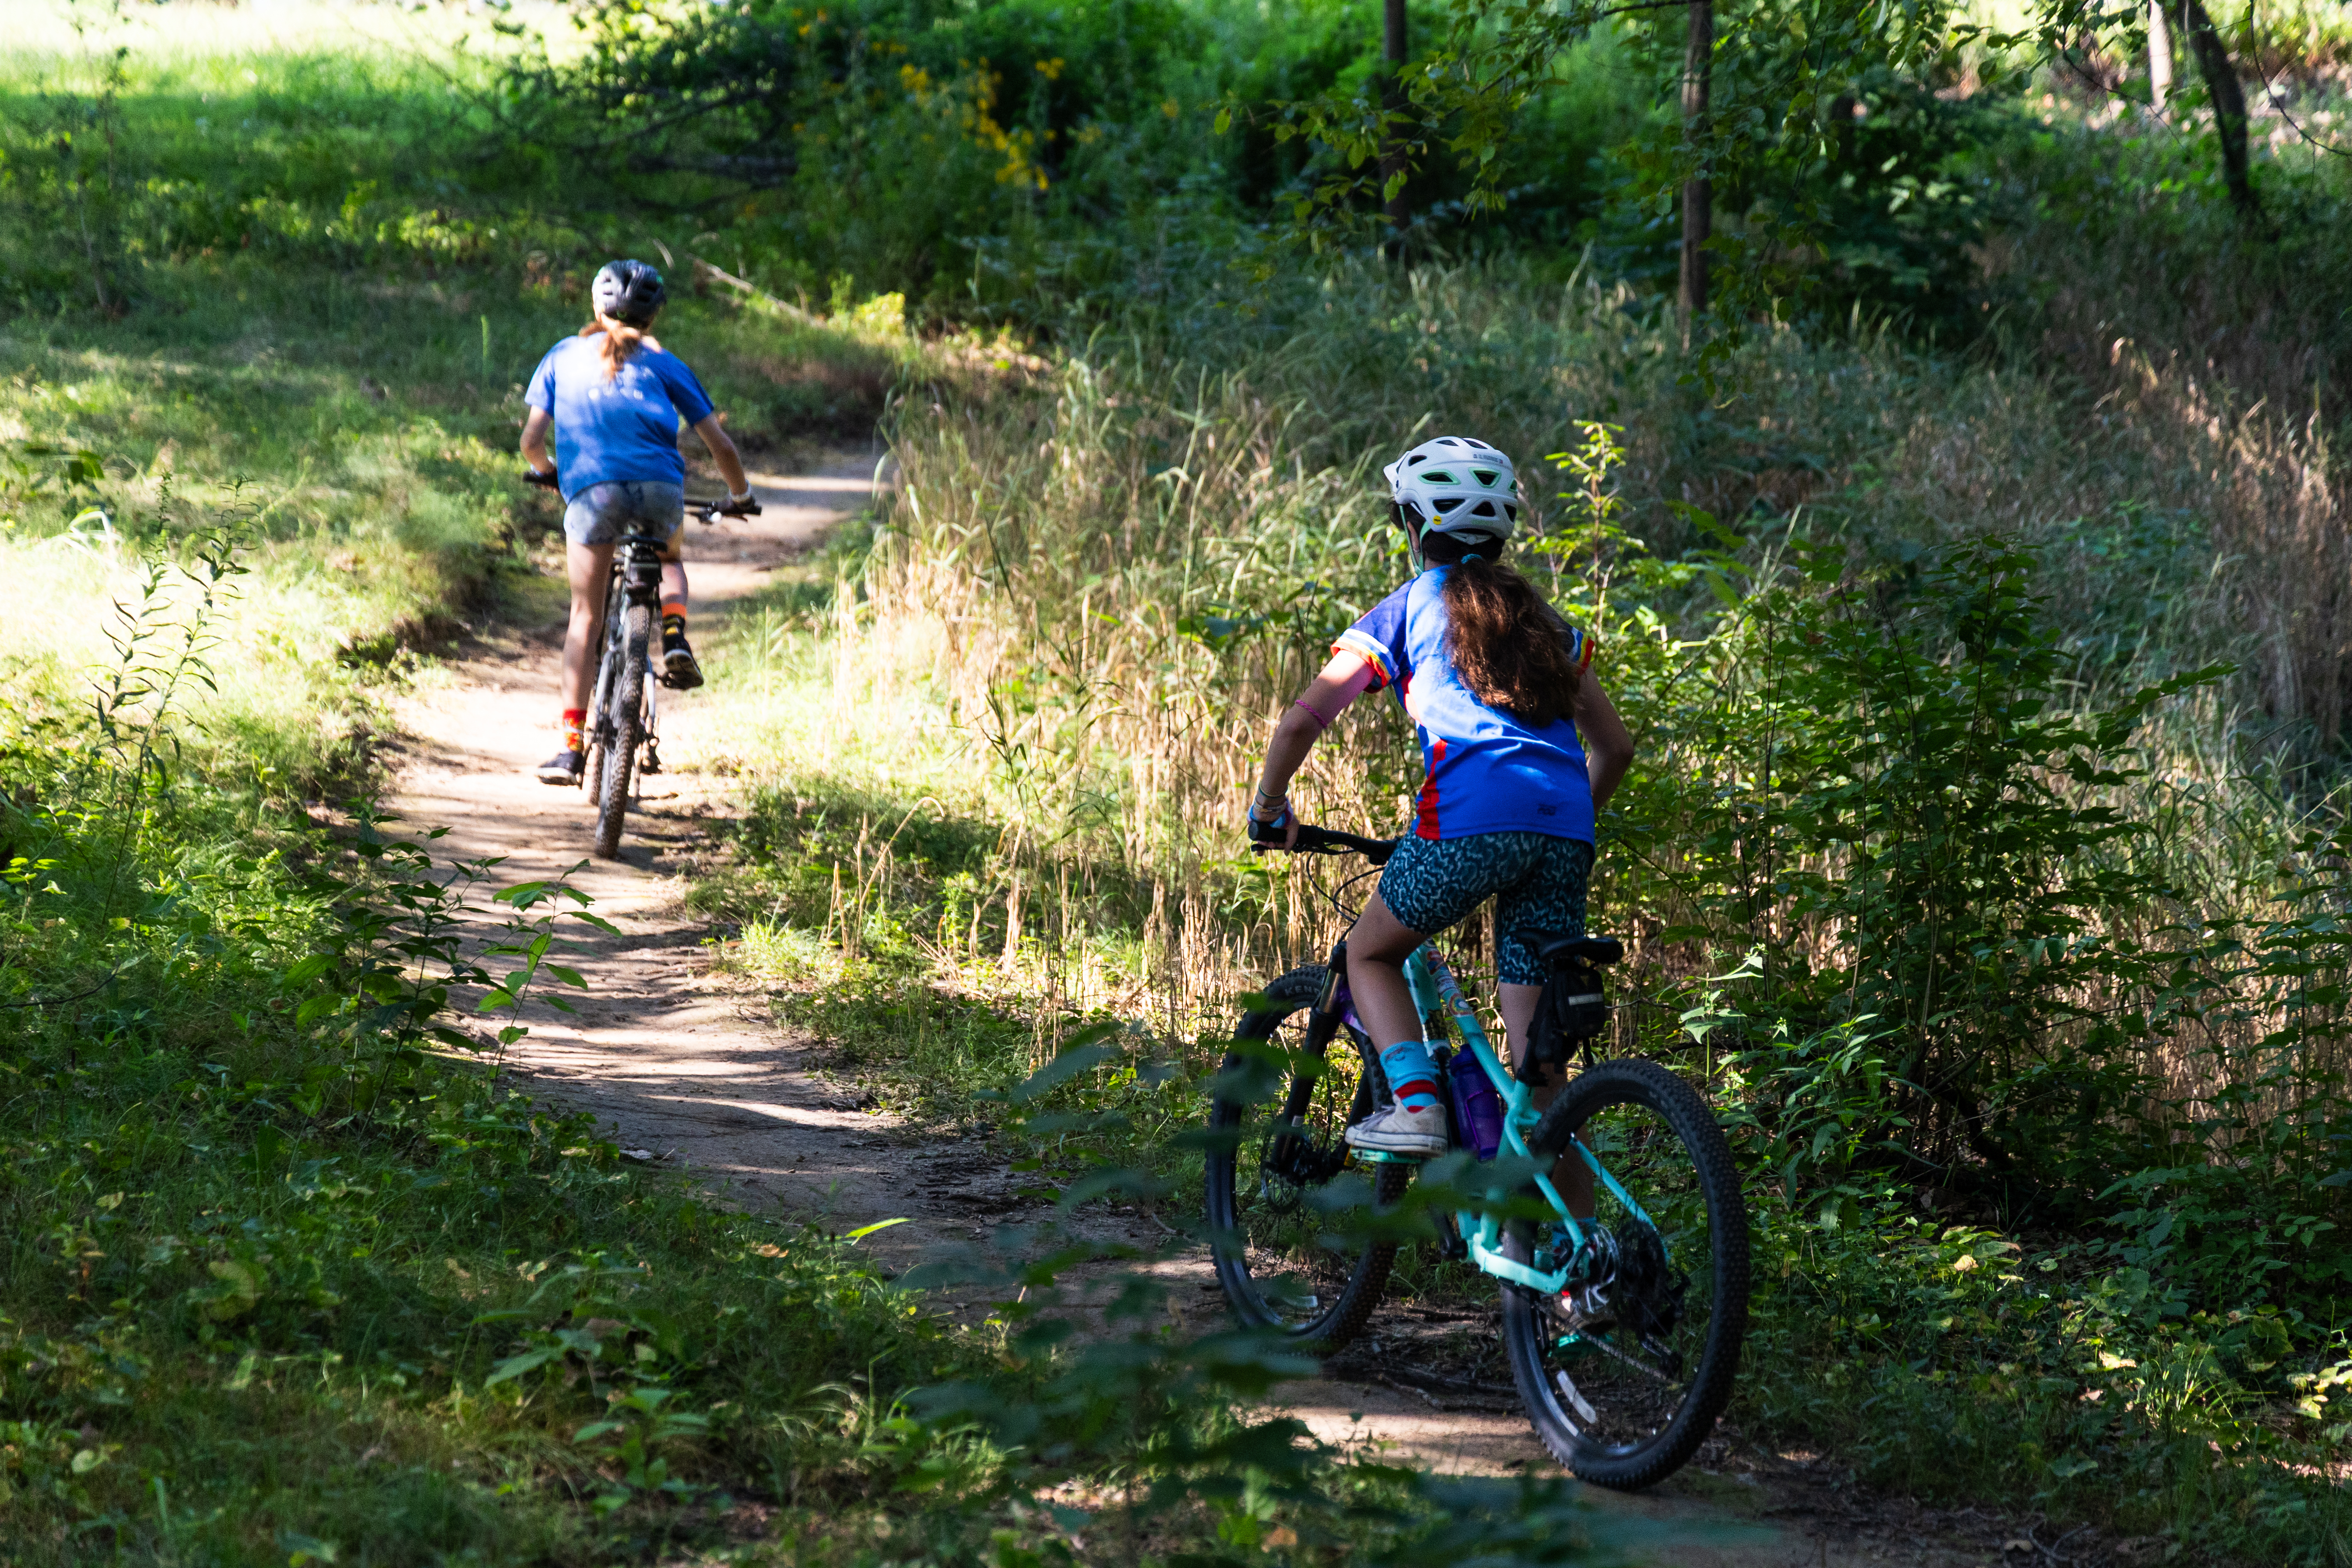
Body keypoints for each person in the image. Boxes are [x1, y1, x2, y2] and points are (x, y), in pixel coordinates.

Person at [1245, 435, 1637, 1158]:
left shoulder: (1405, 609)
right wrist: (1552, 824)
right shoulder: (1545, 625)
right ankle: (1568, 1260)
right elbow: (1614, 748)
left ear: (1415, 528)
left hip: (1466, 823)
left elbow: (1303, 719)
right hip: (1564, 833)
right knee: (1540, 1077)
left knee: (1368, 955)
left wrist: (1268, 808)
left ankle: (1417, 1107)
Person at [520, 258, 760, 785]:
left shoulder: (562, 355)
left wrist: (549, 473)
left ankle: (569, 748)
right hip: (658, 490)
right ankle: (673, 635)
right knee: (668, 558)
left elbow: (532, 442)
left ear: (595, 306)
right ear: (654, 316)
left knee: (585, 615)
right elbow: (718, 444)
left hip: (592, 492)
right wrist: (739, 496)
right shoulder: (666, 364)